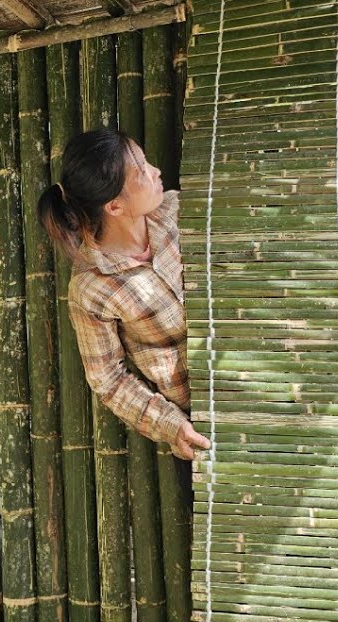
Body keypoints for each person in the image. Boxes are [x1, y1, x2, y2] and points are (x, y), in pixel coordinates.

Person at [37, 128, 211, 460]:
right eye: (143, 171)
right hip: (203, 406)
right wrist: (171, 425)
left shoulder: (179, 210)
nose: (156, 172)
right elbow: (108, 379)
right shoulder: (91, 288)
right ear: (115, 206)